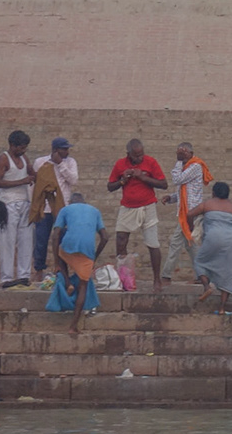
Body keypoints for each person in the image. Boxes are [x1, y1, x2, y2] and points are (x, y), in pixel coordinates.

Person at [106, 139, 167, 292]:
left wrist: (143, 177)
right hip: (127, 207)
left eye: (141, 155)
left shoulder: (151, 162)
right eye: (136, 156)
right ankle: (123, 278)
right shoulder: (120, 164)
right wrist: (122, 180)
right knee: (120, 240)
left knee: (153, 243)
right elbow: (110, 187)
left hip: (148, 206)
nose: (140, 158)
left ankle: (156, 280)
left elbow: (163, 184)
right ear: (129, 154)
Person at [46, 191, 108, 335]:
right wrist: (94, 257)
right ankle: (73, 326)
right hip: (87, 252)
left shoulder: (65, 210)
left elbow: (55, 236)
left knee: (62, 256)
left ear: (71, 202)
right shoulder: (95, 211)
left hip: (68, 247)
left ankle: (68, 283)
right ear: (84, 202)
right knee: (83, 286)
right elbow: (105, 237)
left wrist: (56, 263)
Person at [187, 181, 232, 313]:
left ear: (213, 193)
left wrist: (191, 227)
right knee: (229, 271)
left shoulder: (208, 204)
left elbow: (190, 214)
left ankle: (207, 286)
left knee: (200, 261)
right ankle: (222, 308)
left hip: (213, 236)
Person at [28, 137, 77, 287]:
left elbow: (73, 180)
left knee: (62, 240)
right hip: (45, 208)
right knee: (41, 240)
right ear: (56, 150)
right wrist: (35, 204)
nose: (67, 151)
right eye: (64, 149)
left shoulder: (70, 162)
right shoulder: (41, 162)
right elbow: (35, 186)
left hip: (63, 209)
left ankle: (61, 270)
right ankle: (39, 270)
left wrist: (60, 164)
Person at [0, 130, 35, 289]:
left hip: (25, 202)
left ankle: (24, 275)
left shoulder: (24, 158)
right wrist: (22, 180)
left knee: (26, 239)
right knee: (7, 240)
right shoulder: (4, 158)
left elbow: (32, 173)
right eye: (21, 148)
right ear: (12, 145)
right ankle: (7, 277)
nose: (23, 151)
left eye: (25, 148)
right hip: (7, 203)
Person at [166, 141, 211, 286]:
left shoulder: (195, 166)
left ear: (191, 153)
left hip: (191, 213)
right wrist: (171, 198)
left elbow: (177, 179)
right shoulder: (185, 168)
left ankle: (165, 276)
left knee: (175, 243)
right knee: (192, 246)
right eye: (179, 152)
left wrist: (178, 162)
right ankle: (202, 275)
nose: (181, 155)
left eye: (184, 152)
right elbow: (183, 189)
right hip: (184, 212)